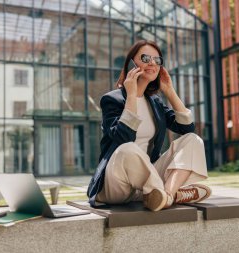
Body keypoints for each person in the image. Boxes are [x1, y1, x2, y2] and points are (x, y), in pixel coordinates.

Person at [87, 40, 211, 211]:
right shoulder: (112, 100)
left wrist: (169, 90)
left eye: (157, 60)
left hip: (145, 184)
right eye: (145, 58)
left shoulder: (155, 102)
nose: (152, 63)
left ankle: (166, 195)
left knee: (193, 140)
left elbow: (186, 129)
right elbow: (124, 137)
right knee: (127, 149)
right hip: (116, 183)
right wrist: (131, 95)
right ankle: (174, 195)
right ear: (132, 64)